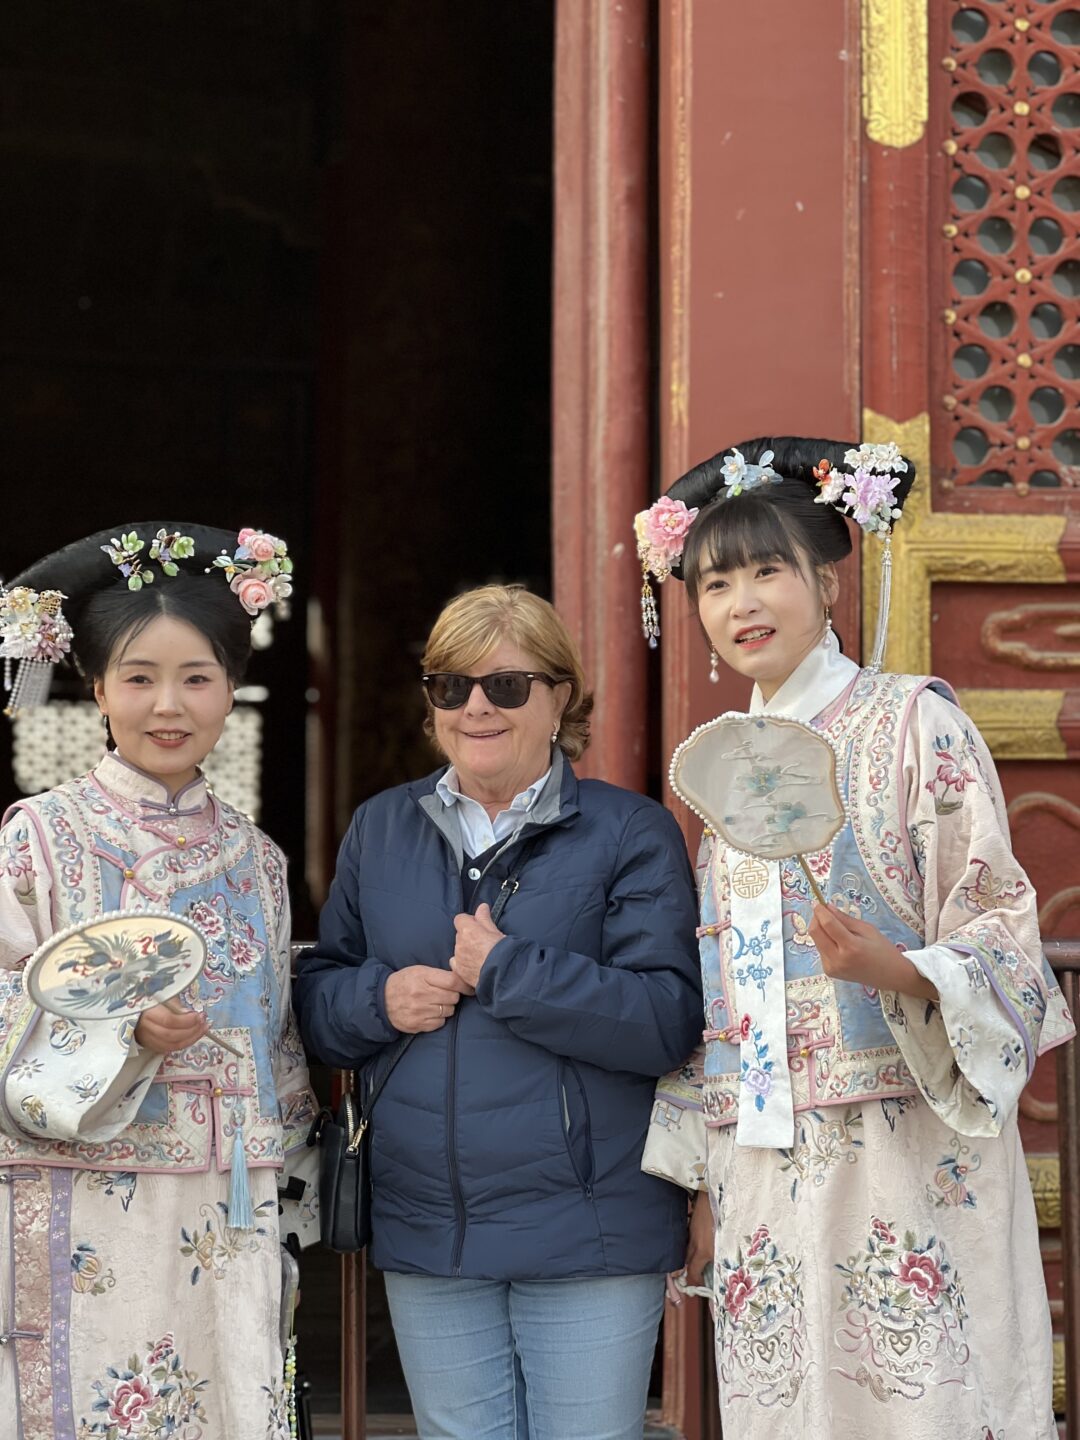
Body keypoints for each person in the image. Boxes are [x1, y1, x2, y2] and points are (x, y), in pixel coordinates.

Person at [636, 437, 1073, 1438]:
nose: (741, 600)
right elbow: (718, 991)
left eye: (767, 570)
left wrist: (895, 968)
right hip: (764, 1153)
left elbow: (1003, 926)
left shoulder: (915, 724)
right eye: (713, 582)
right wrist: (703, 1178)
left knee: (921, 1403)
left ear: (827, 582)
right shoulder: (721, 768)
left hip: (908, 1147)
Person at [293, 583, 702, 1440]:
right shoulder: (381, 828)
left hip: (590, 1228)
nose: (476, 707)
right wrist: (380, 998)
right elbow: (322, 1008)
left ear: (560, 698)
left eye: (507, 687)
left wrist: (509, 970)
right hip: (426, 1226)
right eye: (451, 686)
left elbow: (666, 1018)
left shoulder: (630, 832)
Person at [0, 523, 317, 1440]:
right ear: (96, 688)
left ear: (231, 689)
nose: (167, 705)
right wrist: (124, 1036)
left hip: (232, 1200)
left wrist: (289, 1173)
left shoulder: (255, 859)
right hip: (77, 1192)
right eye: (138, 678)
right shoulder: (40, 837)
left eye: (197, 678)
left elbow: (277, 1040)